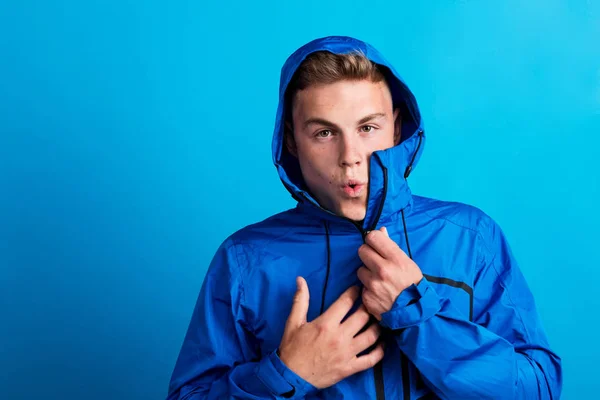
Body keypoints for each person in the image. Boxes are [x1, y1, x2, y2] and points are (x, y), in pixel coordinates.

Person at [166, 35, 562, 399]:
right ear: (291, 139)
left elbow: (539, 388)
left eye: (368, 127)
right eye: (324, 133)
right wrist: (286, 373)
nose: (350, 156)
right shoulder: (244, 260)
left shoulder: (469, 237)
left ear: (397, 128)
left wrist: (418, 316)